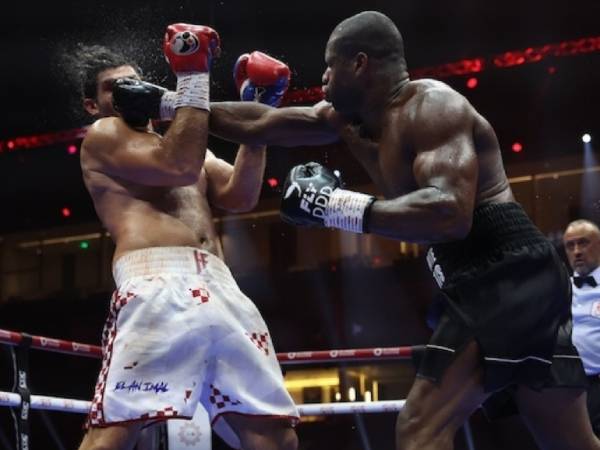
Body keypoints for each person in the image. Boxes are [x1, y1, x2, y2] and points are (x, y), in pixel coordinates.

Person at [110, 12, 600, 449]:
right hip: (493, 277)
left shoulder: (431, 107)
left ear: (360, 63)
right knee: (567, 436)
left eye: (329, 65)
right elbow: (262, 123)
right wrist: (170, 103)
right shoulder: (346, 120)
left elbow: (452, 213)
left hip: (505, 270)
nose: (321, 77)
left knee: (419, 429)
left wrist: (336, 206)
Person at [75, 24, 299, 450]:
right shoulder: (104, 137)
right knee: (117, 432)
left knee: (274, 434)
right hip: (158, 282)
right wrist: (194, 76)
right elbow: (176, 166)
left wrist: (257, 124)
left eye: (132, 82)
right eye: (112, 89)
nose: (126, 93)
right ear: (92, 104)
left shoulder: (182, 144)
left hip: (221, 286)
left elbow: (240, 195)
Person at [564, 219, 600, 437]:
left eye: (583, 243)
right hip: (571, 390)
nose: (577, 251)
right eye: (570, 245)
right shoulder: (560, 289)